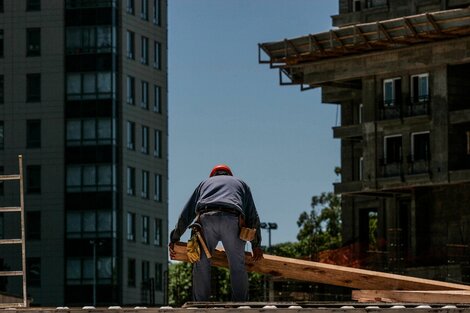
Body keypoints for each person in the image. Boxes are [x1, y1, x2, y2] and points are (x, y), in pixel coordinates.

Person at [169, 164, 263, 301]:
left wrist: (174, 238)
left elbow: (186, 214)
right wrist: (256, 245)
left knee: (201, 264)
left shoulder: (204, 184)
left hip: (206, 219)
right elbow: (252, 216)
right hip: (232, 220)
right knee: (237, 265)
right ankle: (240, 304)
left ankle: (201, 305)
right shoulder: (241, 184)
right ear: (229, 175)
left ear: (212, 176)